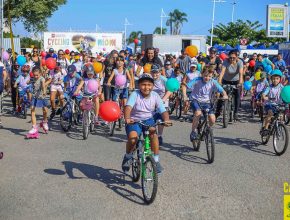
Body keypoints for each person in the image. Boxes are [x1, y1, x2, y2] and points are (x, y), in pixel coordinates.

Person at [122, 74, 171, 173]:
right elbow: (128, 107)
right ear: (139, 85)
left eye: (149, 84)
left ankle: (156, 160)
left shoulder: (155, 95)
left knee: (153, 134)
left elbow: (162, 110)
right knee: (132, 139)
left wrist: (166, 120)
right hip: (134, 120)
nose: (146, 87)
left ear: (153, 86)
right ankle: (128, 156)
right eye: (143, 84)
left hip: (148, 120)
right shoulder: (135, 94)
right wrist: (127, 118)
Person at [184, 67, 228, 141]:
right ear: (202, 74)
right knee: (198, 113)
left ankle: (207, 131)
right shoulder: (197, 80)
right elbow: (185, 86)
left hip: (207, 102)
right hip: (195, 100)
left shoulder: (213, 82)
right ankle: (193, 132)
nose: (207, 78)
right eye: (205, 76)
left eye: (209, 76)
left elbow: (222, 90)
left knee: (212, 119)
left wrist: (225, 95)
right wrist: (185, 96)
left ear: (212, 76)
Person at [216, 50, 244, 120]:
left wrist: (240, 83)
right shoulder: (226, 61)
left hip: (236, 81)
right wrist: (219, 82)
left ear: (237, 57)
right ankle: (217, 112)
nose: (231, 59)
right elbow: (222, 72)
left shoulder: (240, 62)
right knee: (222, 95)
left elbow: (241, 74)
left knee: (237, 94)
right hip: (226, 80)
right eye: (230, 57)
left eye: (234, 58)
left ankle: (236, 113)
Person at [150, 64, 172, 145]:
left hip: (162, 100)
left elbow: (169, 90)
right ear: (150, 72)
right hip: (151, 100)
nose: (155, 74)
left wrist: (163, 100)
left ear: (160, 72)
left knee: (160, 120)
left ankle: (159, 135)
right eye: (153, 72)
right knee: (151, 118)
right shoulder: (148, 79)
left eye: (157, 72)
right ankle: (151, 134)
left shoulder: (164, 80)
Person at [26, 67, 49, 138]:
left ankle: (44, 122)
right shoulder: (33, 78)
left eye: (37, 75)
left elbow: (43, 85)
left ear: (40, 74)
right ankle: (34, 127)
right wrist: (28, 81)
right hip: (34, 96)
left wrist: (44, 91)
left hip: (42, 96)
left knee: (45, 111)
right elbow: (29, 81)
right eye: (34, 75)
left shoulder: (42, 79)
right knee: (32, 110)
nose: (35, 76)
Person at [261, 70, 284, 135]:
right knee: (270, 113)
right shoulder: (269, 87)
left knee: (281, 116)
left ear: (280, 79)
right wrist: (264, 96)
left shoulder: (282, 87)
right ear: (271, 79)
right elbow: (264, 93)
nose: (275, 80)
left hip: (279, 104)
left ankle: (280, 127)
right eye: (273, 78)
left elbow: (285, 93)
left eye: (277, 78)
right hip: (270, 104)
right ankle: (265, 128)